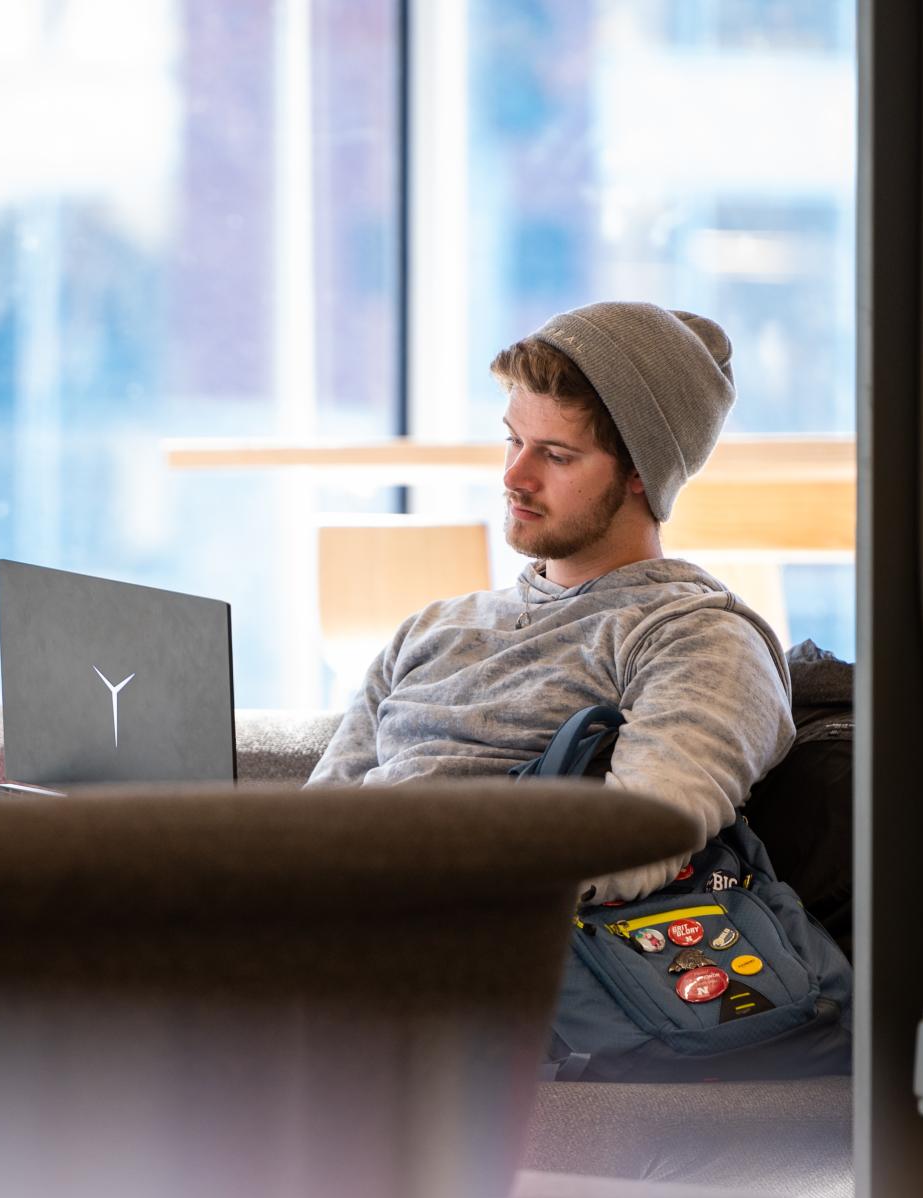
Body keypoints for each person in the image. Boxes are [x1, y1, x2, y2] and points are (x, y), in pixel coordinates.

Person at [307, 301, 794, 903]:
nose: (514, 476)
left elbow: (629, 847)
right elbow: (311, 830)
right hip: (334, 938)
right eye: (513, 440)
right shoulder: (432, 627)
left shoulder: (696, 639)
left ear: (641, 472)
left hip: (479, 947)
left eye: (556, 456)